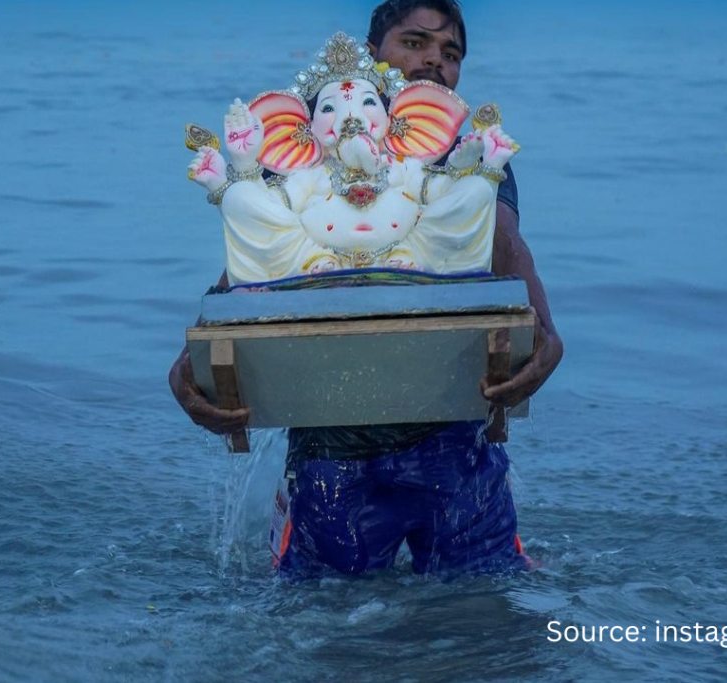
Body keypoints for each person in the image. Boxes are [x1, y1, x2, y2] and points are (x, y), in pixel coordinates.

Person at [168, 0, 563, 576]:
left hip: (450, 435)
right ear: (372, 54)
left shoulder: (465, 155)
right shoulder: (309, 148)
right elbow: (264, 261)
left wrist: (547, 334)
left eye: (450, 53)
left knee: (469, 613)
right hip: (332, 446)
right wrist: (194, 355)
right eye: (415, 42)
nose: (434, 60)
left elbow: (505, 244)